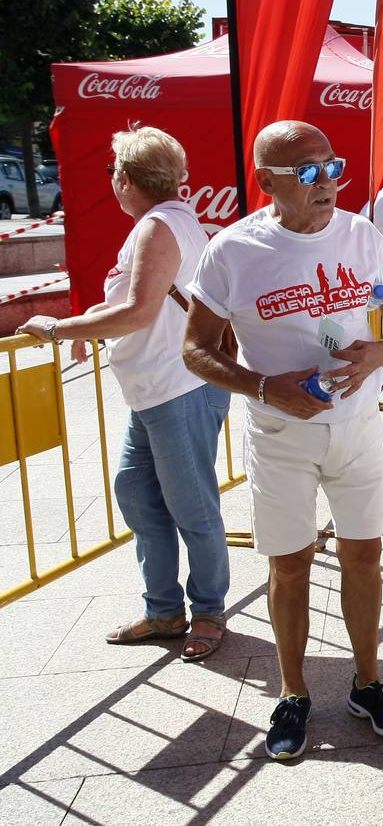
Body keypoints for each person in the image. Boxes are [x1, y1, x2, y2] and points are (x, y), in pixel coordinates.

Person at [182, 120, 383, 761]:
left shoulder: (362, 235)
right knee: (289, 566)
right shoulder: (233, 251)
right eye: (309, 172)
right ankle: (293, 693)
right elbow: (196, 351)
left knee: (364, 557)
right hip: (281, 434)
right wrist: (263, 388)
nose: (329, 181)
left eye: (333, 165)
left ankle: (367, 683)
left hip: (359, 428)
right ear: (267, 182)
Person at [17, 127, 230, 663]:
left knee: (191, 508)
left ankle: (206, 611)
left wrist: (59, 329)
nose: (112, 181)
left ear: (127, 179)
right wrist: (91, 324)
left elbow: (138, 310)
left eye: (114, 172)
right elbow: (142, 304)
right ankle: (164, 609)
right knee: (137, 493)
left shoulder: (159, 226)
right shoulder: (166, 222)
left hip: (174, 387)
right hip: (159, 389)